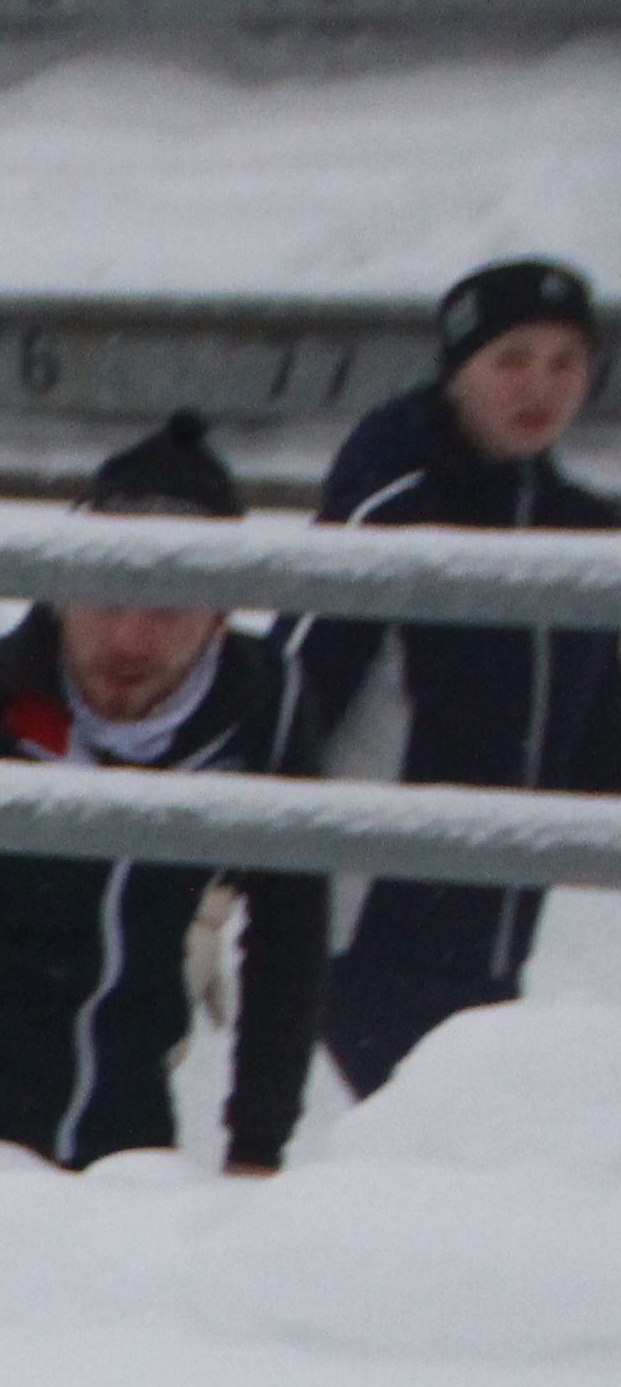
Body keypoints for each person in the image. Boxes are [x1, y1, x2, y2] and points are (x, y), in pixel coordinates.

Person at [0, 415, 325, 1173]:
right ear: (59, 592)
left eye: (167, 607)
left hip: (127, 1135)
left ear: (219, 616)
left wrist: (258, 1142)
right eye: (106, 599)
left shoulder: (260, 709)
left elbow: (291, 930)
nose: (128, 641)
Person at [281, 256, 615, 1098]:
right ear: (459, 371)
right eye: (512, 359)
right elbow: (293, 683)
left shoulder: (580, 531)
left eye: (566, 362)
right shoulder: (394, 501)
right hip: (367, 926)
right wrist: (217, 866)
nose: (540, 386)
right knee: (435, 1161)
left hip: (496, 931)